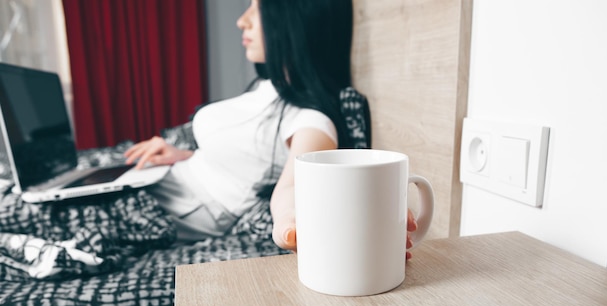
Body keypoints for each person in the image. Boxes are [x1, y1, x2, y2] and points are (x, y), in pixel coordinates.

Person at [124, 0, 418, 257]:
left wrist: (290, 222)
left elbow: (295, 184)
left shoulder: (312, 120)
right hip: (160, 179)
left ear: (299, 19)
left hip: (166, 208)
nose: (242, 20)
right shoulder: (269, 89)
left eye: (259, 7)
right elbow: (243, 157)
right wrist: (184, 155)